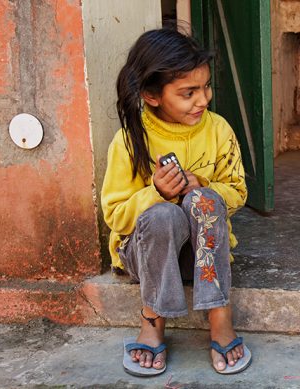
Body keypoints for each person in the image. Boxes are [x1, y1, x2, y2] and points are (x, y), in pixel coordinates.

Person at [101, 27, 250, 376]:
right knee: (164, 214)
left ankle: (220, 315)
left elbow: (238, 192)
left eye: (206, 87)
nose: (203, 100)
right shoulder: (128, 140)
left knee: (204, 200)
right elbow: (116, 217)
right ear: (153, 96)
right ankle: (152, 321)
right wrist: (156, 192)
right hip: (146, 256)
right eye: (188, 93)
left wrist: (202, 186)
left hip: (203, 256)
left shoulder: (218, 130)